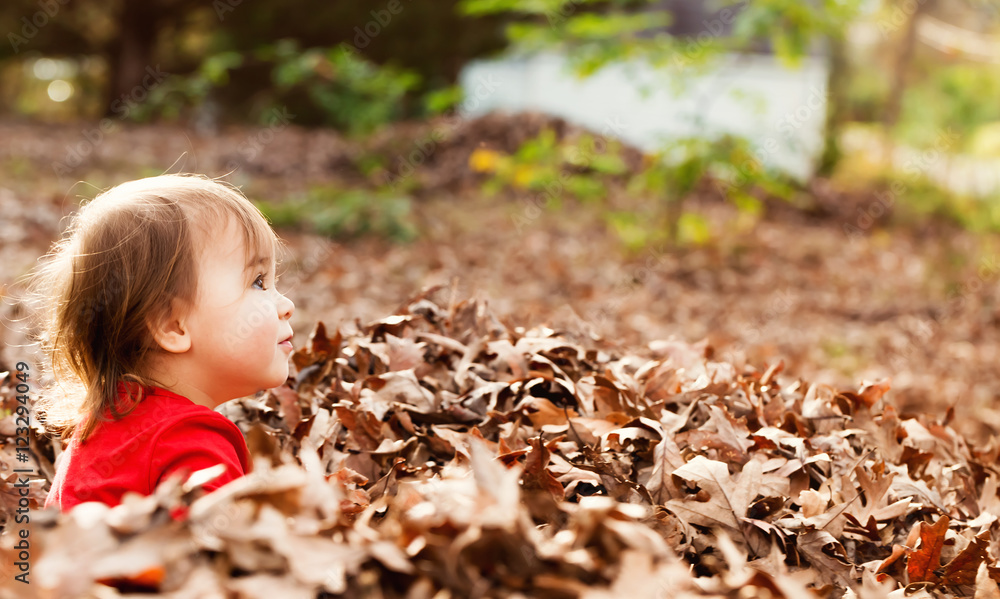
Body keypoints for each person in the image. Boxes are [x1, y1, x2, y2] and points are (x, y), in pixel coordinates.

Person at [23, 174, 296, 513]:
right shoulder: (189, 440)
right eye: (258, 282)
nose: (286, 305)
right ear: (172, 325)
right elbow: (216, 559)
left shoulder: (106, 426)